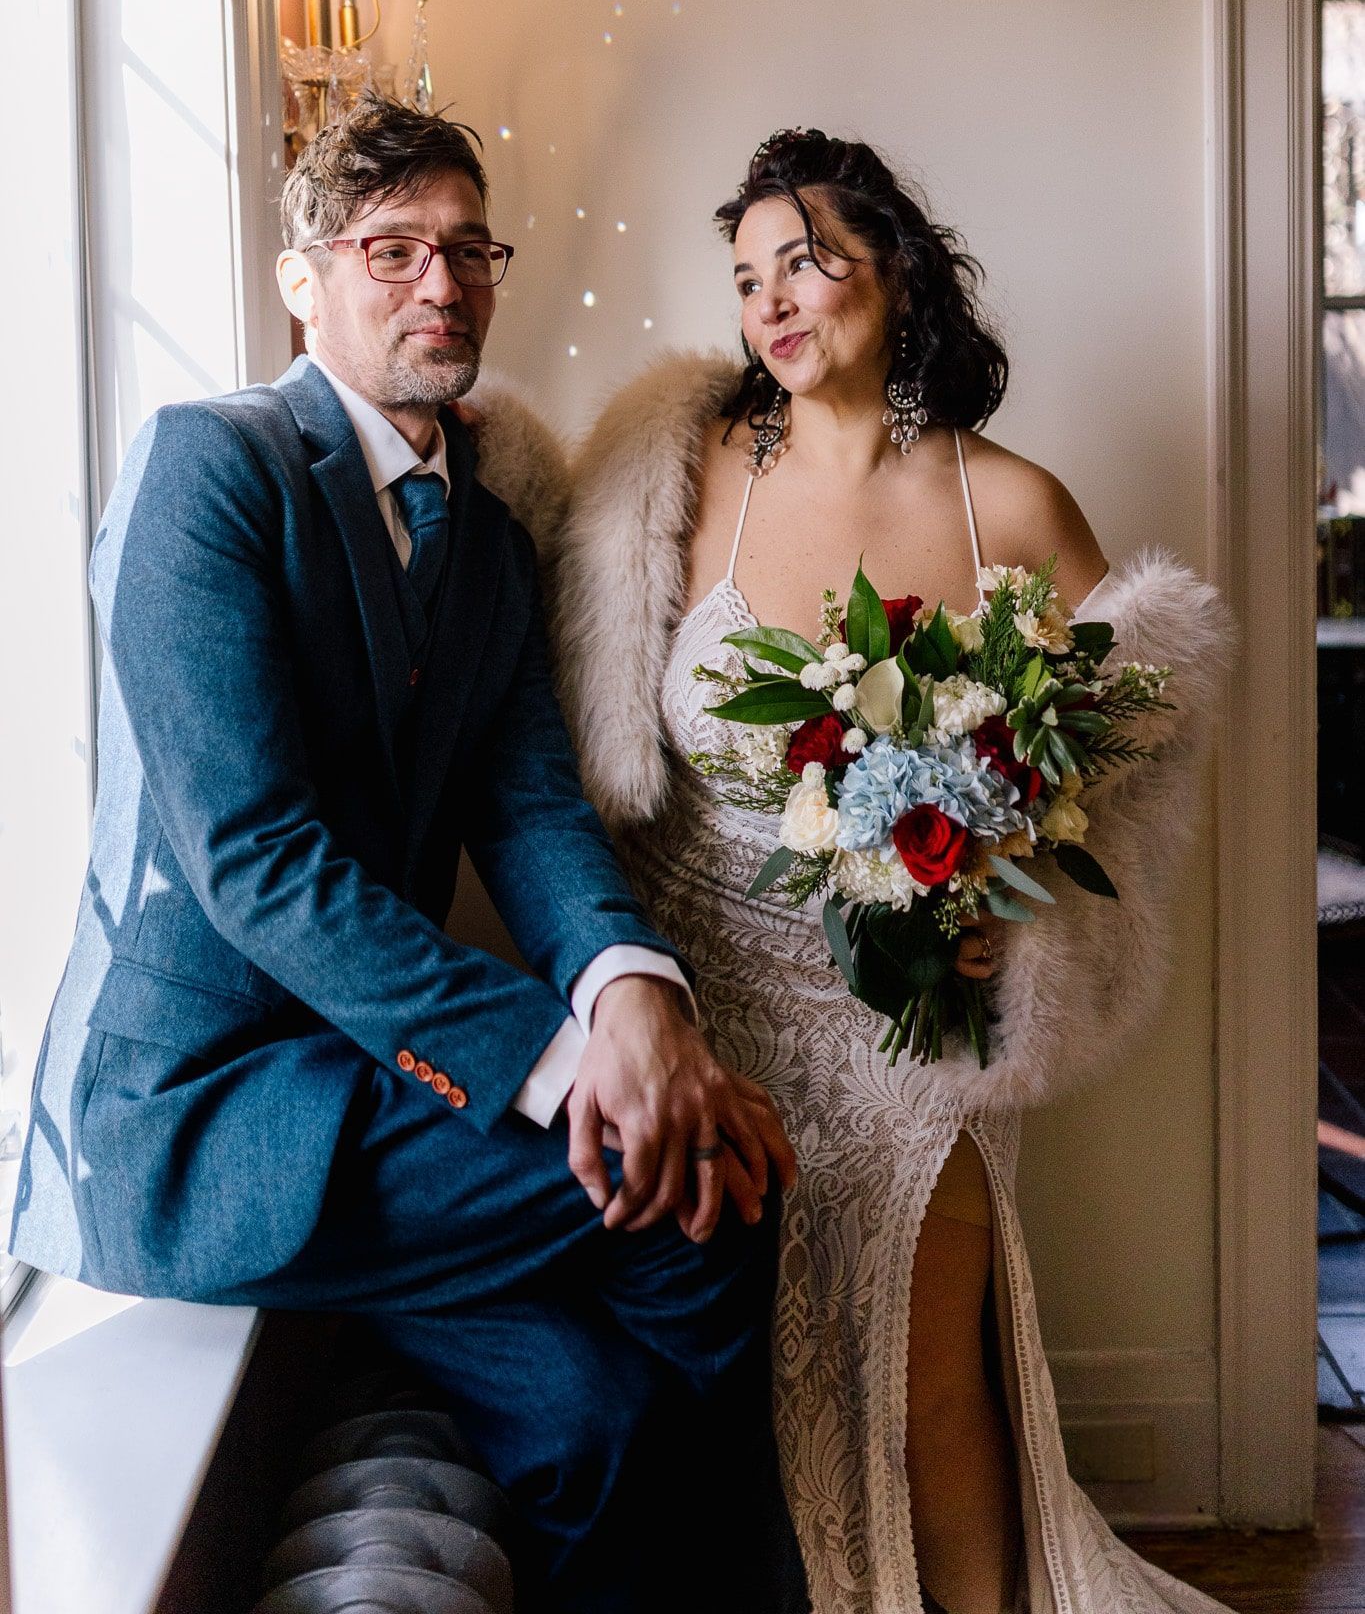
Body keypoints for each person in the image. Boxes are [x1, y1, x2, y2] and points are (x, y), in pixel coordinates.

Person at [9, 95, 807, 1614]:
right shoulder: (210, 470)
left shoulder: (491, 541)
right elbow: (254, 859)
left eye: (467, 250)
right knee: (712, 1175)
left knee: (600, 1424)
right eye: (391, 250)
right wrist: (575, 1070)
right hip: (203, 1118)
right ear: (302, 278)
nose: (440, 285)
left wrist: (638, 993)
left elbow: (528, 811)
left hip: (377, 1108)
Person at [555, 128, 1231, 1614]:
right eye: (745, 278)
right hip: (707, 1009)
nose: (772, 306)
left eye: (804, 262)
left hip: (909, 1028)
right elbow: (587, 734)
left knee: (930, 1388)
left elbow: (1114, 773)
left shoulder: (1013, 507)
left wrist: (1007, 911)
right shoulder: (679, 470)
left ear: (894, 274)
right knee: (739, 1391)